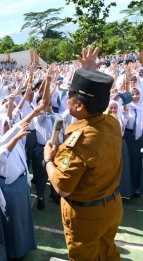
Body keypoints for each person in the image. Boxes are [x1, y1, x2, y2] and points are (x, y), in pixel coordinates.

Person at [44, 47, 123, 260]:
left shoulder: (78, 140)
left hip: (87, 217)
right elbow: (95, 110)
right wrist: (88, 73)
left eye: (70, 94)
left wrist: (48, 160)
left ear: (79, 104)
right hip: (111, 206)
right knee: (108, 253)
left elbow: (62, 186)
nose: (66, 97)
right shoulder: (112, 122)